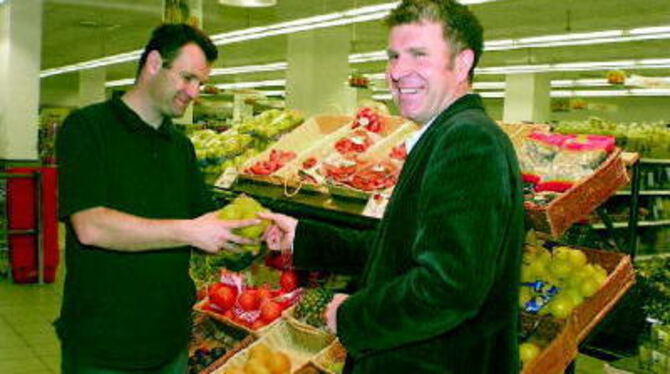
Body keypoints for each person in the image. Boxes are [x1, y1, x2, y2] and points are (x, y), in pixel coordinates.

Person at [261, 1, 525, 373]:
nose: (398, 72)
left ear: (462, 63)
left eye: (418, 55)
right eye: (393, 56)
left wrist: (353, 317)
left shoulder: (468, 141)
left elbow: (448, 287)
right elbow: (403, 247)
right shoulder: (442, 134)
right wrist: (304, 238)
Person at [55, 24, 258, 373]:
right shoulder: (87, 128)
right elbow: (91, 226)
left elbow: (204, 222)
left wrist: (248, 237)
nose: (194, 92)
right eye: (188, 78)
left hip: (170, 344)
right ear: (153, 63)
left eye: (201, 84)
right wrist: (188, 231)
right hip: (103, 345)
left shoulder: (180, 147)